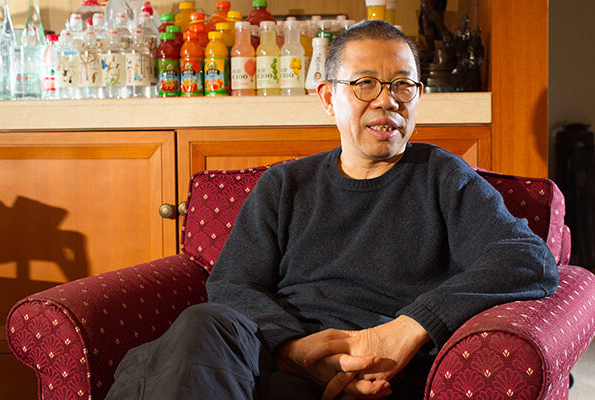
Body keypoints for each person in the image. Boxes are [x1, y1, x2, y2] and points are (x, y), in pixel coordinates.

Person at [105, 20, 558, 400]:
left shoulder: (442, 177)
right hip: (272, 360)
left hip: (379, 373)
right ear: (327, 97)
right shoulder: (285, 185)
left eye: (402, 85)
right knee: (201, 326)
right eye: (365, 84)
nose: (387, 100)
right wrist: (294, 350)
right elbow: (232, 285)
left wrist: (410, 327)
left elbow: (528, 259)